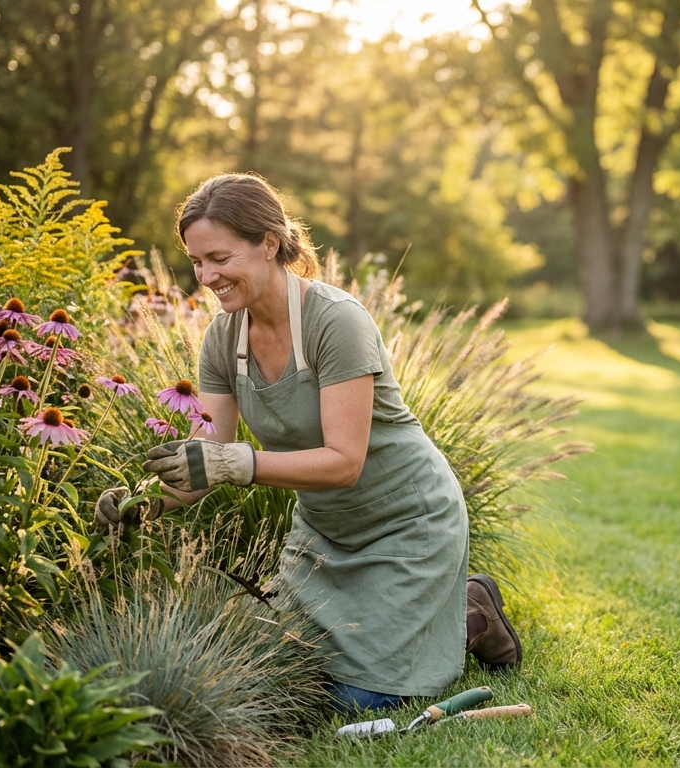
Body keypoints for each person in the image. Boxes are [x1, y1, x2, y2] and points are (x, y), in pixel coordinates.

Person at [95, 173, 521, 712]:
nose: (206, 276)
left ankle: (469, 613)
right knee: (285, 669)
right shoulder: (222, 340)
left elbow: (344, 462)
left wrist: (238, 464)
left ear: (269, 243)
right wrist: (142, 501)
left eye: (219, 258)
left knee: (358, 698)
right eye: (197, 262)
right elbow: (208, 456)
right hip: (325, 531)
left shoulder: (334, 321)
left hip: (407, 521)